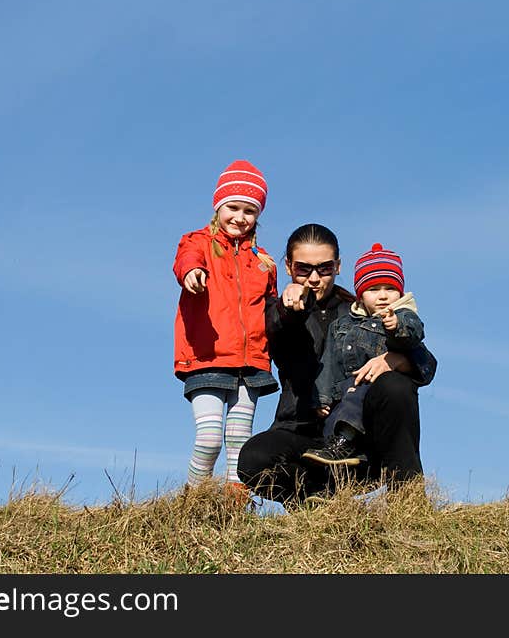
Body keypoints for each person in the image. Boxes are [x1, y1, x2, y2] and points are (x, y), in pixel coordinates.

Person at [237, 224, 437, 506]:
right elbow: (276, 325)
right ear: (288, 267)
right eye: (304, 269)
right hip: (300, 432)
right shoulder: (276, 309)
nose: (315, 278)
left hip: (357, 437)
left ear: (338, 266)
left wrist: (398, 359)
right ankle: (314, 500)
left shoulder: (363, 309)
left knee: (395, 383)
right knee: (253, 459)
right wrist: (290, 306)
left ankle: (408, 497)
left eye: (325, 268)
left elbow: (427, 362)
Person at [172, 159, 279, 496]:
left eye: (249, 210)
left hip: (251, 363)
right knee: (208, 438)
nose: (240, 217)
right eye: (233, 207)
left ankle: (234, 511)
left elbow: (272, 311)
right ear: (218, 206)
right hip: (207, 357)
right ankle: (195, 499)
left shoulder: (263, 262)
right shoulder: (198, 243)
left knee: (239, 444)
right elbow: (185, 260)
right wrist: (192, 272)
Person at [302, 243, 425, 466]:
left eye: (390, 288)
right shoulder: (342, 325)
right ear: (360, 295)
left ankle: (345, 444)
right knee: (332, 423)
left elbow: (415, 337)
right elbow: (327, 363)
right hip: (344, 394)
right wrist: (321, 397)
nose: (383, 296)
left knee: (357, 401)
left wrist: (397, 326)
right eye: (374, 290)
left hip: (375, 394)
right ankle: (329, 482)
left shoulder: (404, 314)